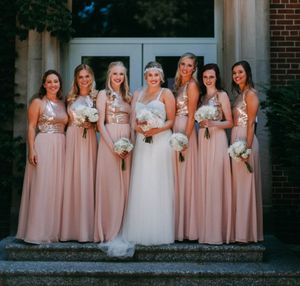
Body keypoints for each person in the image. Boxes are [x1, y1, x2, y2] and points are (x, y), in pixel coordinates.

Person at [122, 61, 176, 245]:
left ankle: (160, 230)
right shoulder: (138, 93)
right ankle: (140, 229)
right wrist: (138, 128)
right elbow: (132, 121)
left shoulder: (166, 93)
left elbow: (171, 121)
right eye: (150, 75)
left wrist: (155, 130)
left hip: (160, 141)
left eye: (156, 75)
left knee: (159, 182)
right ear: (145, 76)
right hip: (142, 142)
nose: (153, 78)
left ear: (161, 77)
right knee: (142, 182)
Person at [16, 70, 68, 244]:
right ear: (44, 84)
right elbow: (31, 127)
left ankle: (54, 231)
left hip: (61, 145)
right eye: (49, 82)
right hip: (44, 144)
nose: (53, 84)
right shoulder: (38, 102)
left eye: (56, 81)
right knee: (42, 186)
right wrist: (32, 150)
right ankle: (37, 232)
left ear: (60, 84)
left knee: (57, 188)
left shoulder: (63, 103)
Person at [94, 62, 132, 242]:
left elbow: (132, 123)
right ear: (109, 75)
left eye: (121, 74)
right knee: (110, 184)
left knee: (125, 185)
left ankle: (124, 226)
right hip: (109, 142)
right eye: (115, 74)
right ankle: (108, 227)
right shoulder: (103, 95)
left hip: (126, 142)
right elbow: (100, 124)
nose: (118, 77)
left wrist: (129, 144)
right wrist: (114, 146)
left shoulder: (128, 97)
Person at [60, 64, 98, 242]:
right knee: (72, 179)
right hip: (72, 138)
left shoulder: (97, 97)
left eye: (87, 76)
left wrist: (92, 124)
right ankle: (70, 229)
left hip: (89, 139)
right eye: (81, 77)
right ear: (76, 79)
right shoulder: (69, 98)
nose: (84, 80)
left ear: (91, 78)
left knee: (87, 178)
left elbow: (103, 121)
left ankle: (87, 229)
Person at [197, 63, 233, 244]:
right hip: (203, 141)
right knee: (205, 182)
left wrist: (213, 124)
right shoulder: (202, 97)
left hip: (217, 139)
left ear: (216, 77)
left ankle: (218, 230)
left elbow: (230, 122)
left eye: (211, 76)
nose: (208, 80)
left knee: (216, 181)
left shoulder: (222, 95)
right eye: (205, 77)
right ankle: (205, 228)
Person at [231, 60, 263, 243]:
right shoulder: (239, 94)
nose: (237, 76)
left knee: (246, 188)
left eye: (240, 72)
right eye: (234, 73)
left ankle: (247, 234)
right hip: (236, 137)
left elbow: (251, 123)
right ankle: (239, 231)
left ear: (247, 73)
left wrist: (247, 149)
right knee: (238, 187)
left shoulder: (250, 94)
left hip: (245, 139)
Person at [172, 53, 200, 241]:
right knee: (177, 179)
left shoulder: (192, 86)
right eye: (182, 64)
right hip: (176, 127)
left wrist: (185, 140)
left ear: (194, 68)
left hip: (185, 131)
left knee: (187, 179)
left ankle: (189, 229)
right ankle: (178, 226)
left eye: (189, 65)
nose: (185, 68)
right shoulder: (178, 86)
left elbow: (191, 116)